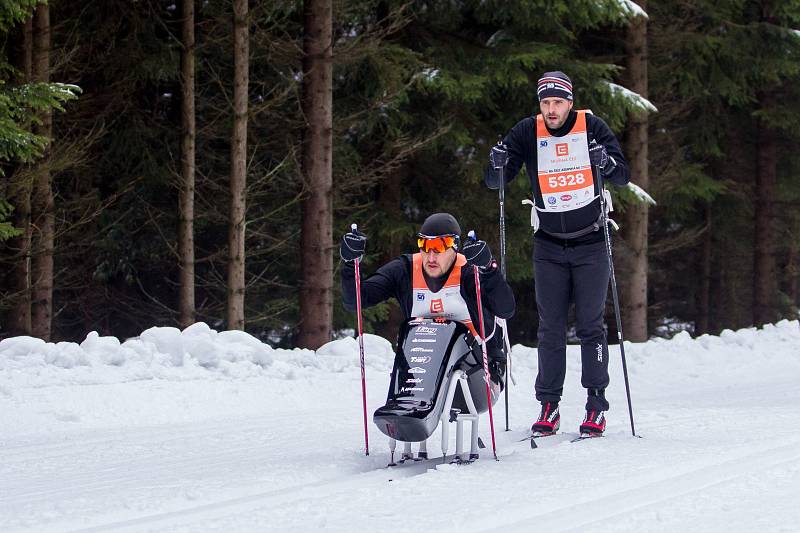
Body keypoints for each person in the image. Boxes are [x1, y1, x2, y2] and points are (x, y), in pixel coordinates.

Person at [484, 71, 630, 436]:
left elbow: (622, 175)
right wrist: (496, 164)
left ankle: (596, 404)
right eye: (545, 103)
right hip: (549, 244)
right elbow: (496, 181)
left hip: (591, 242)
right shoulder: (527, 131)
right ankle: (548, 405)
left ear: (570, 101)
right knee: (549, 328)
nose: (551, 110)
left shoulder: (591, 126)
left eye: (557, 102)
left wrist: (606, 163)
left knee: (590, 326)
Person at [340, 212, 515, 390]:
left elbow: (505, 309)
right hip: (424, 368)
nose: (430, 257)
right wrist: (349, 264)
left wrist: (488, 269)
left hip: (479, 368)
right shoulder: (405, 270)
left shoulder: (469, 271)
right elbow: (355, 301)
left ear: (454, 247)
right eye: (424, 246)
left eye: (439, 248)